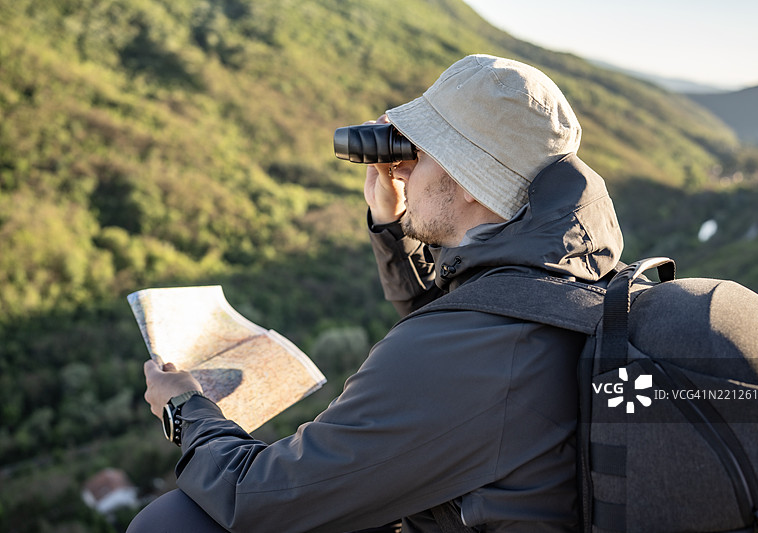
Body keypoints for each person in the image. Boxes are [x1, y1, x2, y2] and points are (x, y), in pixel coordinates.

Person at [128, 54, 623, 532]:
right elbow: (470, 327)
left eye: (419, 152)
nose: (400, 168)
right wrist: (396, 229)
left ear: (472, 180)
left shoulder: (463, 356)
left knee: (172, 522)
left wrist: (186, 409)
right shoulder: (576, 275)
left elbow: (255, 500)